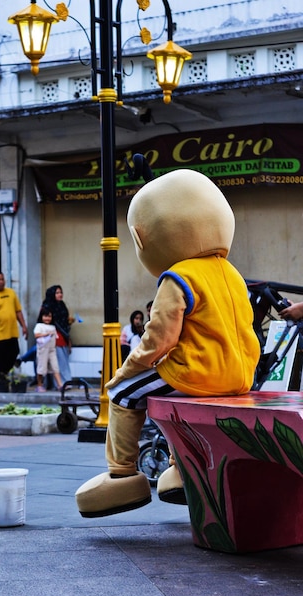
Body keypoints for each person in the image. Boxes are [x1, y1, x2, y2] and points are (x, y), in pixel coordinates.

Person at [75, 169, 260, 518]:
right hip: (239, 374)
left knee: (125, 394)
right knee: (166, 398)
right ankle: (178, 470)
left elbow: (158, 338)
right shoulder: (231, 273)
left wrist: (126, 370)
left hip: (197, 371)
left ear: (140, 237)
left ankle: (123, 476)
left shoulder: (178, 276)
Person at [42, 285, 74, 384]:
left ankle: (65, 381)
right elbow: (48, 322)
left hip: (63, 335)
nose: (60, 295)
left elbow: (63, 320)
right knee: (59, 360)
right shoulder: (47, 306)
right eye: (57, 293)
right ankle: (63, 382)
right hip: (53, 336)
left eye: (61, 292)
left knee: (63, 359)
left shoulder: (61, 305)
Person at [33, 306, 63, 392]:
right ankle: (39, 385)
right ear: (41, 317)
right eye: (45, 316)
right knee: (41, 368)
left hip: (52, 349)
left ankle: (60, 385)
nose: (47, 318)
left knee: (55, 366)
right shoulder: (39, 326)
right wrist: (46, 334)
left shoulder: (53, 327)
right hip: (43, 350)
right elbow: (36, 335)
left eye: (49, 316)